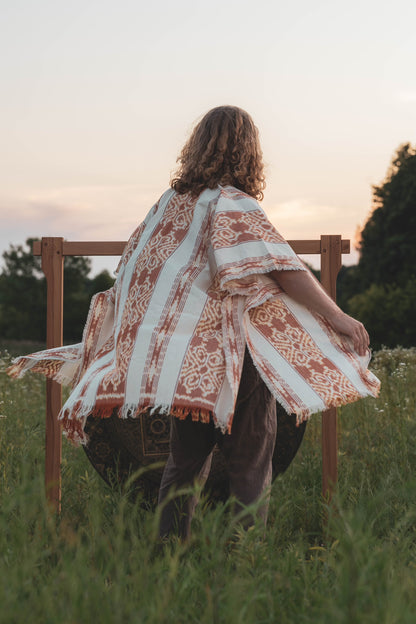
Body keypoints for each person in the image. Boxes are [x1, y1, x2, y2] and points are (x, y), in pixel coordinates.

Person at [7, 105, 380, 540]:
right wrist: (337, 317)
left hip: (188, 367)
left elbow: (139, 273)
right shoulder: (234, 204)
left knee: (183, 465)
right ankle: (244, 565)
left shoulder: (166, 208)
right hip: (235, 359)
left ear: (198, 146)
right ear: (248, 152)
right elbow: (284, 268)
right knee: (250, 465)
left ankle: (169, 557)